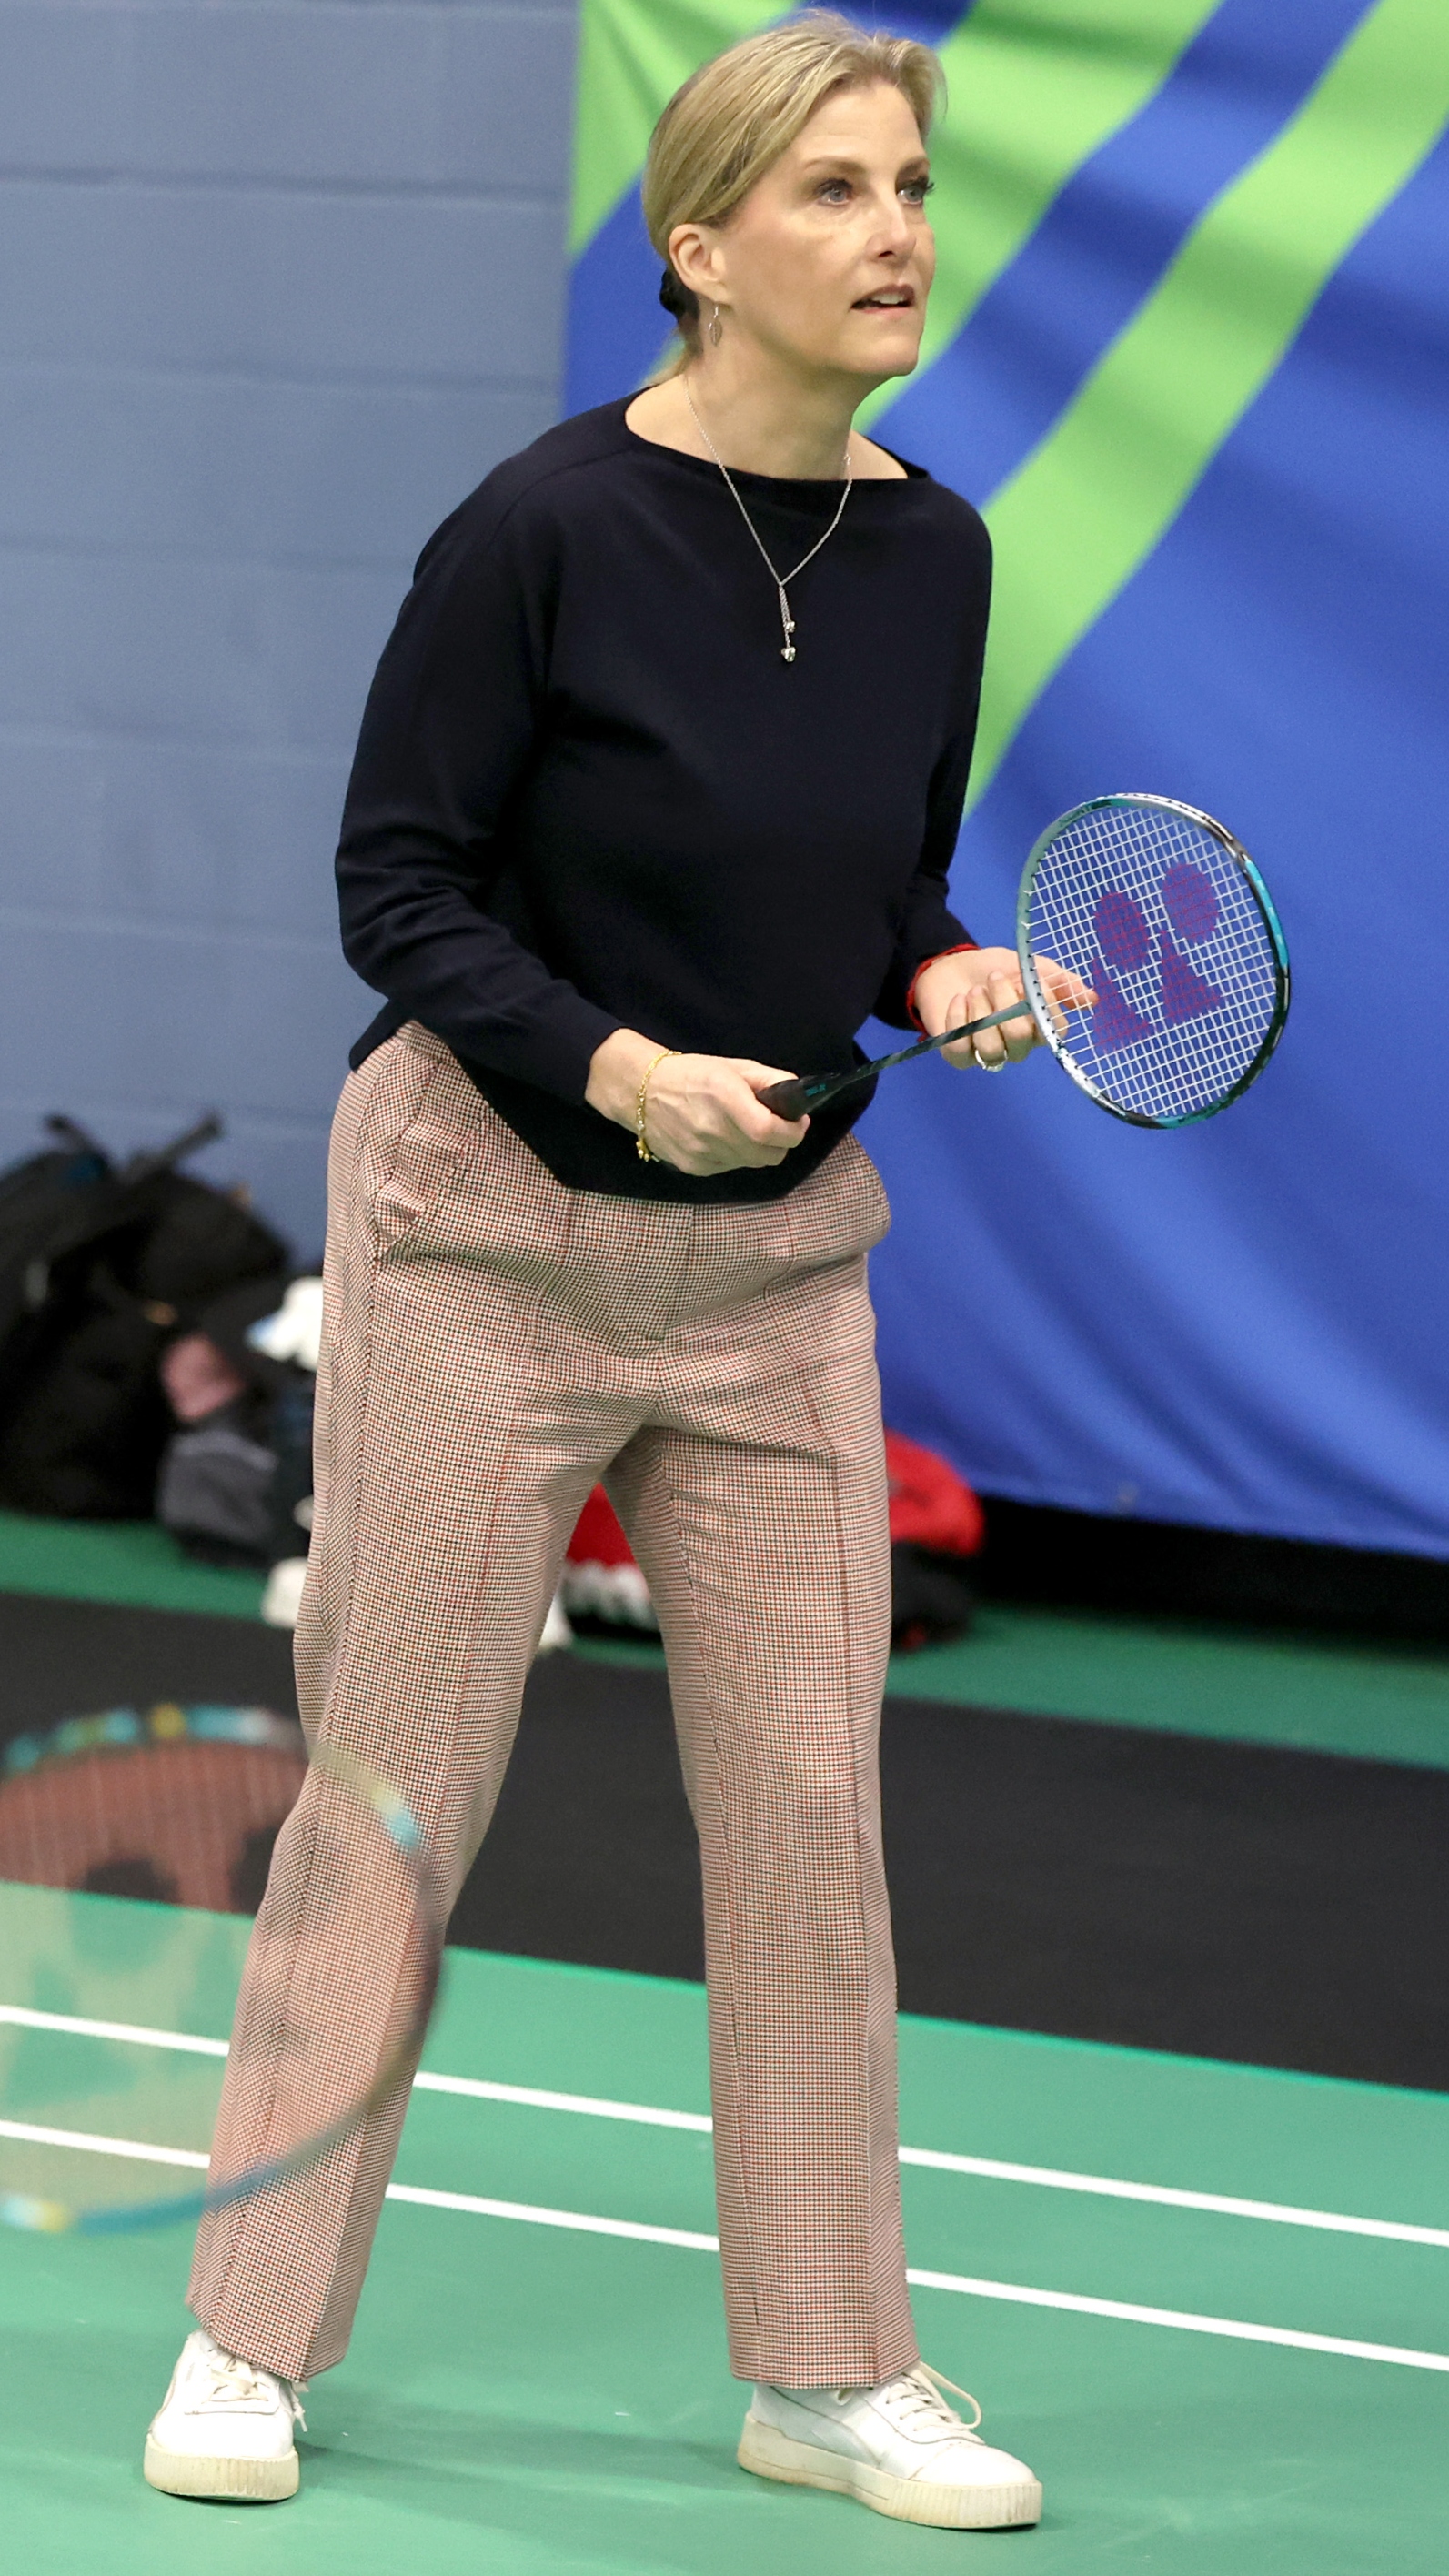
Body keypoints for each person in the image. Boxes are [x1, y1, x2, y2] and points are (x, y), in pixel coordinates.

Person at [143, 11, 1088, 2531]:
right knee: (393, 1796)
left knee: (807, 1819)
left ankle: (830, 2371)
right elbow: (398, 885)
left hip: (774, 1276)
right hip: (487, 1236)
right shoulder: (540, 530)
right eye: (833, 192)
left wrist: (939, 968)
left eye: (911, 186)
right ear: (700, 250)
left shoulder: (938, 552)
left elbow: (876, 870)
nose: (896, 233)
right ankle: (251, 2332)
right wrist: (615, 1063)